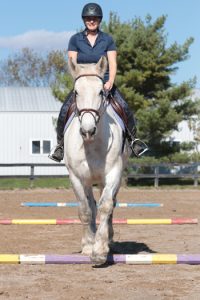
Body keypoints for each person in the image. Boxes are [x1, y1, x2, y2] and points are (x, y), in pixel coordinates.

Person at [49, 2, 148, 162]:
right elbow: (72, 63)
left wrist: (110, 81)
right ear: (84, 20)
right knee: (64, 111)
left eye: (94, 18)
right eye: (88, 18)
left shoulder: (107, 39)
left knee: (125, 108)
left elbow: (113, 63)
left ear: (99, 20)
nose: (91, 21)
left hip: (103, 83)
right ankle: (60, 146)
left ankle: (133, 141)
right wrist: (79, 83)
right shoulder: (75, 39)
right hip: (83, 83)